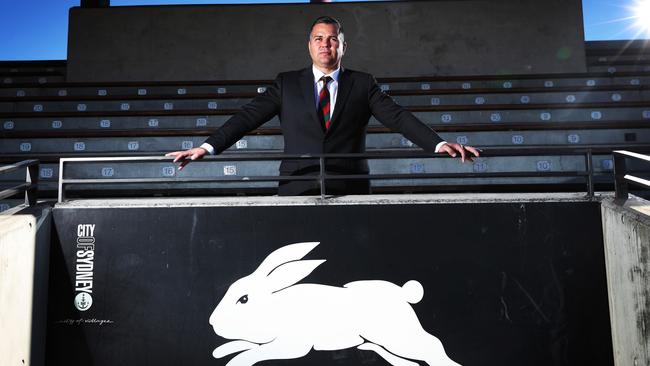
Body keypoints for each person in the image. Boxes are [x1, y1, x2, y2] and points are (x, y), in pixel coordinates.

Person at [166, 16, 480, 196]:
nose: (325, 45)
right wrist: (207, 147)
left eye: (332, 39)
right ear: (309, 45)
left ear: (342, 46)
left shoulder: (362, 83)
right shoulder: (286, 83)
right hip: (296, 186)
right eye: (318, 38)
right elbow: (248, 117)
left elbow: (397, 117)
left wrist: (437, 144)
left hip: (349, 186)